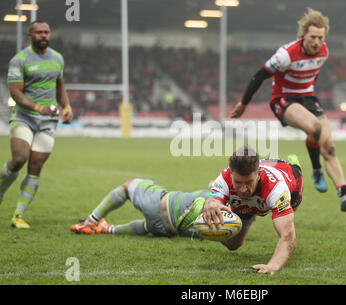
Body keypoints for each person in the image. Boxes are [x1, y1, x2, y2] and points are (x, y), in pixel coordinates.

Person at [230, 8, 346, 212]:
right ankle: (317, 169)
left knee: (328, 147)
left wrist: (309, 92)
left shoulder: (324, 52)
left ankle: (345, 195)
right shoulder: (286, 55)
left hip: (308, 99)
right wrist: (243, 103)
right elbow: (259, 76)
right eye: (312, 37)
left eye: (321, 37)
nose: (317, 42)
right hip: (283, 99)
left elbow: (312, 74)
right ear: (303, 36)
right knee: (315, 128)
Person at [0, 21, 73, 228]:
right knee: (19, 159)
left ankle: (18, 215)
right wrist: (38, 108)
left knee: (35, 166)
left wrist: (66, 106)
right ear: (30, 36)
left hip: (48, 121)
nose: (44, 35)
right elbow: (15, 92)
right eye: (39, 32)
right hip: (25, 117)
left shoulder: (57, 58)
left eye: (47, 32)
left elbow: (59, 85)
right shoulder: (19, 60)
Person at [202, 146, 303, 275]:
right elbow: (214, 201)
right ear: (231, 175)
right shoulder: (224, 178)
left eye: (249, 182)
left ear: (258, 175)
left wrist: (273, 265)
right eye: (238, 182)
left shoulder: (277, 189)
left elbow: (287, 237)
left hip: (289, 176)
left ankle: (295, 163)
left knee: (293, 208)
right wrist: (209, 203)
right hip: (246, 203)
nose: (243, 189)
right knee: (233, 244)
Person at [70, 178, 211, 238]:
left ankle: (90, 222)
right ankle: (107, 229)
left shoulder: (218, 195)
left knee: (128, 185)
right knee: (146, 227)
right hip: (167, 230)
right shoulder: (227, 220)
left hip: (160, 205)